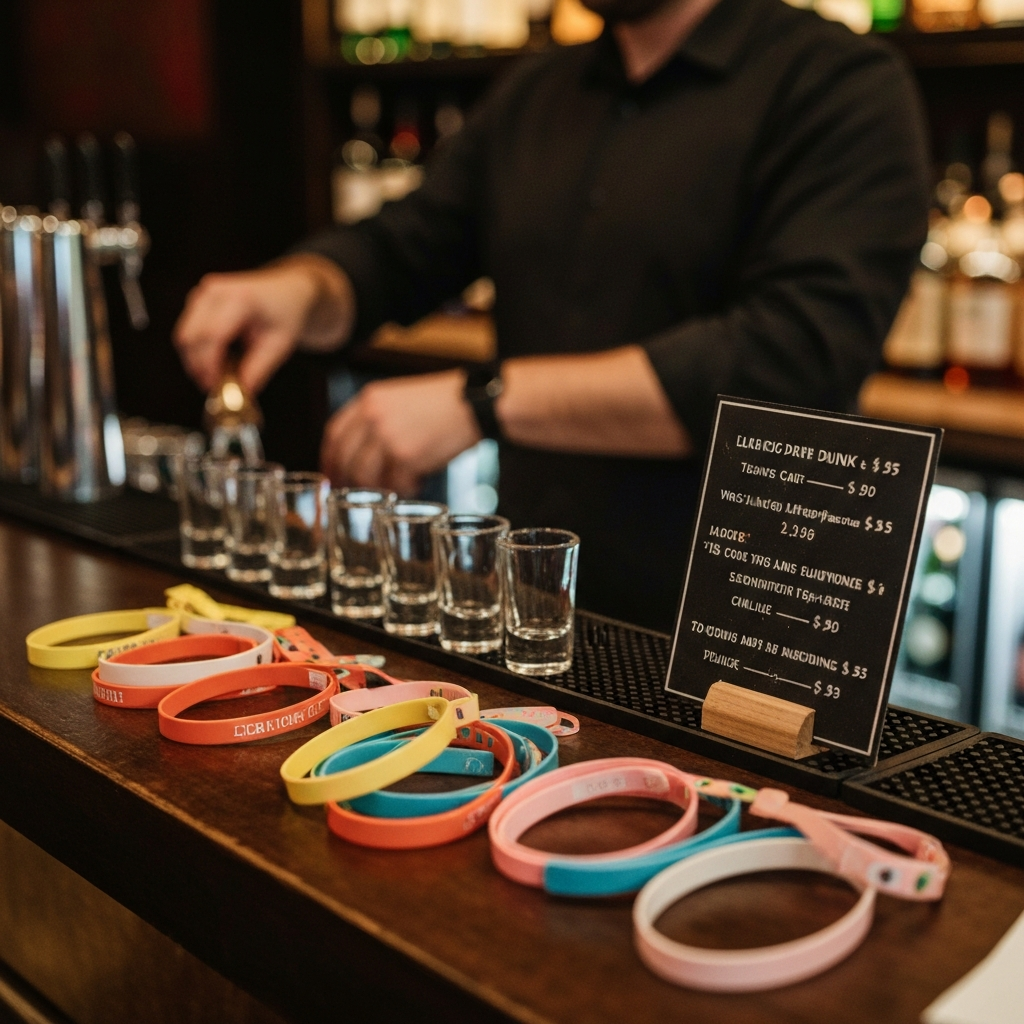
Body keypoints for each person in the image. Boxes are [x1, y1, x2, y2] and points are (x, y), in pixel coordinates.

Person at [174, 0, 931, 633]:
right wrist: (300, 289)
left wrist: (483, 400)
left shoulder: (841, 85)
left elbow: (789, 365)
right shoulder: (538, 93)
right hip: (540, 605)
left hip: (750, 622)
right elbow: (403, 249)